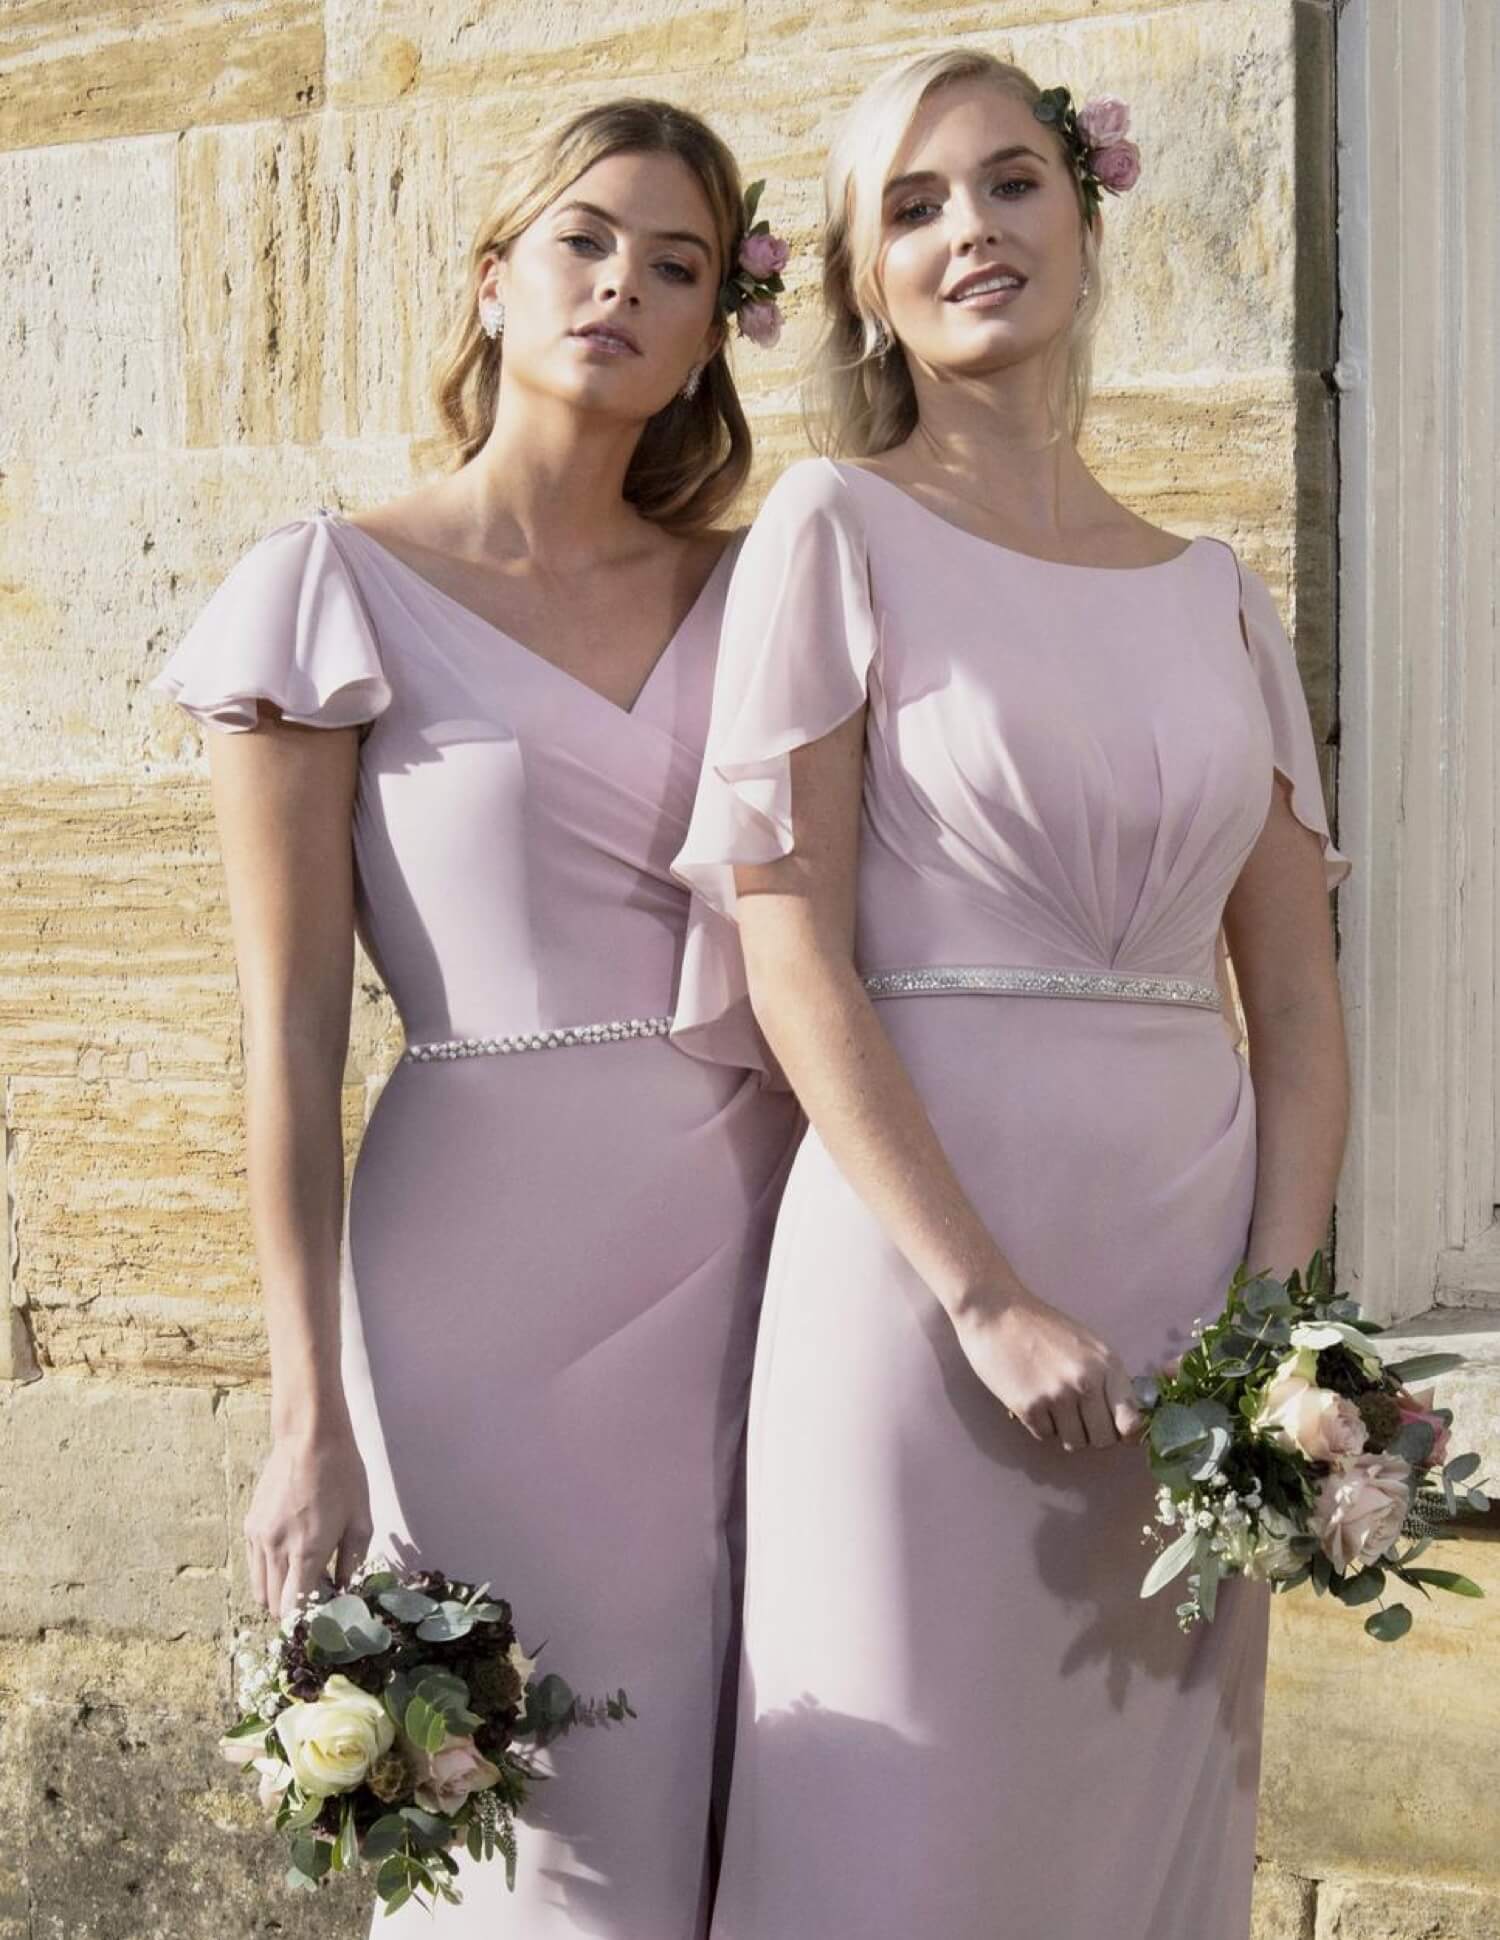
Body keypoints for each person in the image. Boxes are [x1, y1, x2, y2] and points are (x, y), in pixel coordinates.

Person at [670, 48, 1351, 1940]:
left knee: (1140, 1842)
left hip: (1193, 1305)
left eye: (1009, 182)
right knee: (906, 1843)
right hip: (921, 1298)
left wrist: (1278, 1337)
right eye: (913, 205)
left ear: (1084, 210)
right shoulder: (835, 529)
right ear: (864, 286)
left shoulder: (1217, 589)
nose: (971, 229)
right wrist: (978, 1295)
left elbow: (1293, 1003)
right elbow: (783, 933)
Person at [151, 99, 802, 1939]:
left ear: (709, 336)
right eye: (588, 241)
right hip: (478, 1281)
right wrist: (301, 1420)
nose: (623, 286)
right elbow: (280, 1034)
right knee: (553, 1840)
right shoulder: (330, 592)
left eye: (679, 266)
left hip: (767, 1245)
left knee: (774, 1784)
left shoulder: (768, 589)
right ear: (494, 278)